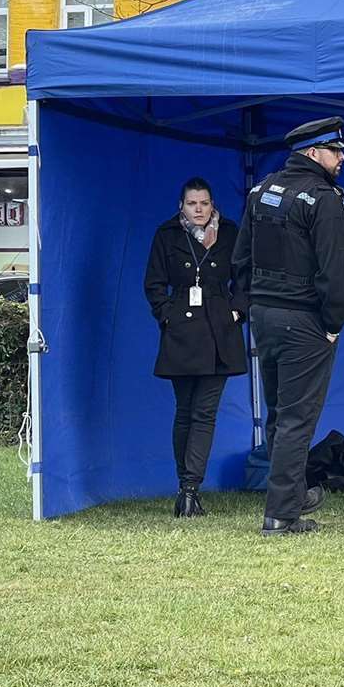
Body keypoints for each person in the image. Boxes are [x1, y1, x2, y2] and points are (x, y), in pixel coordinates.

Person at [233, 117, 344, 537]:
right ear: (312, 152)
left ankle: (293, 491)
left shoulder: (261, 190)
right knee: (297, 418)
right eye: (335, 151)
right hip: (304, 318)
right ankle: (282, 514)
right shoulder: (323, 198)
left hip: (265, 318)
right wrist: (334, 322)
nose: (341, 159)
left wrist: (252, 306)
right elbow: (334, 270)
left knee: (280, 412)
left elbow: (241, 259)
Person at [143, 177, 249, 517]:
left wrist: (236, 311)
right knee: (185, 412)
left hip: (220, 330)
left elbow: (246, 278)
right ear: (182, 206)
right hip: (182, 332)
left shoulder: (230, 232)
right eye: (192, 203)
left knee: (204, 413)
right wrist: (167, 316)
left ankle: (190, 490)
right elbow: (154, 283)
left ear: (213, 204)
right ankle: (185, 488)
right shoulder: (167, 235)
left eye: (204, 203)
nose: (199, 209)